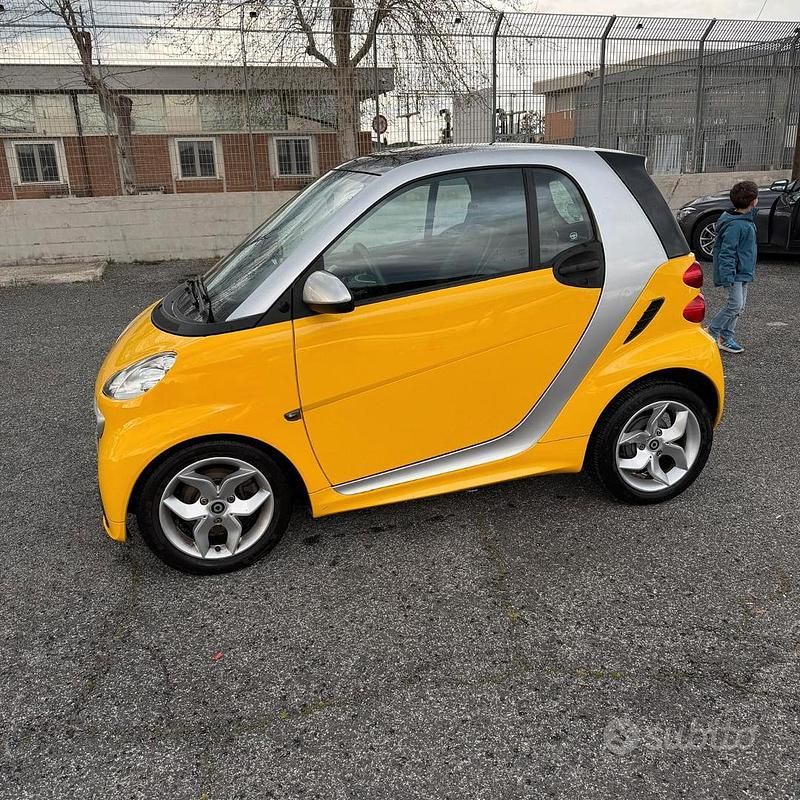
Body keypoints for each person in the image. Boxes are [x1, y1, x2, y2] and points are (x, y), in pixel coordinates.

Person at [706, 181, 759, 354]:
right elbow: (727, 252)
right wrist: (728, 276)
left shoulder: (745, 220)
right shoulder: (737, 225)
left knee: (739, 306)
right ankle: (713, 332)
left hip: (743, 272)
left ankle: (726, 337)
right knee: (735, 305)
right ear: (753, 201)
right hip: (735, 273)